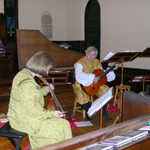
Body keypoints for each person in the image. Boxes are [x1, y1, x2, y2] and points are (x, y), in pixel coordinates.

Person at [7, 51, 72, 149]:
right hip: (23, 120)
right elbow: (34, 111)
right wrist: (52, 113)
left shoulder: (23, 74)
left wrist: (46, 89)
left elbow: (33, 94)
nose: (47, 72)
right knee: (61, 126)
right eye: (47, 69)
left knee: (62, 125)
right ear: (41, 68)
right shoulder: (27, 84)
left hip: (21, 115)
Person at [73, 46, 116, 120]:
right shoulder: (80, 63)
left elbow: (102, 72)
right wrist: (92, 77)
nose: (93, 57)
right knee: (82, 96)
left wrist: (111, 69)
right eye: (91, 55)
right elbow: (79, 76)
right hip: (81, 85)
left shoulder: (97, 61)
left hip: (95, 84)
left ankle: (104, 112)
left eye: (95, 55)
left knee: (106, 91)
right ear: (86, 53)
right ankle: (88, 111)